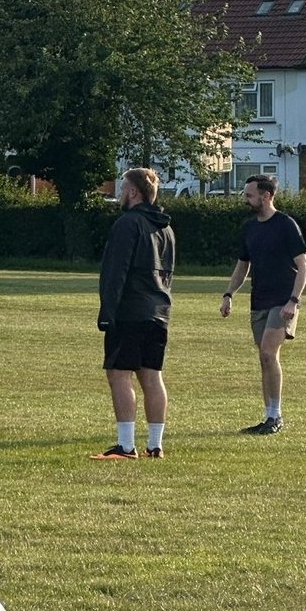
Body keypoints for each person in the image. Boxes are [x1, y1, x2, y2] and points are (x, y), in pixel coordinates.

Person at [92, 167, 175, 460]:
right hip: (159, 309)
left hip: (130, 310)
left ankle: (126, 445)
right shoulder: (165, 228)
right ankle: (156, 444)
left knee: (119, 374)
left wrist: (107, 311)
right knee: (152, 376)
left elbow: (116, 271)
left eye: (121, 187)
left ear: (133, 192)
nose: (118, 193)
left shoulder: (128, 224)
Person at [220, 174, 306, 435]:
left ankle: (276, 416)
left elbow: (304, 267)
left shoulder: (286, 225)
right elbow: (242, 265)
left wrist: (294, 301)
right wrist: (229, 294)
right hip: (259, 300)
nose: (245, 199)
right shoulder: (249, 227)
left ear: (266, 196)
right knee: (264, 358)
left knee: (269, 352)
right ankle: (269, 416)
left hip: (283, 301)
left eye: (249, 194)